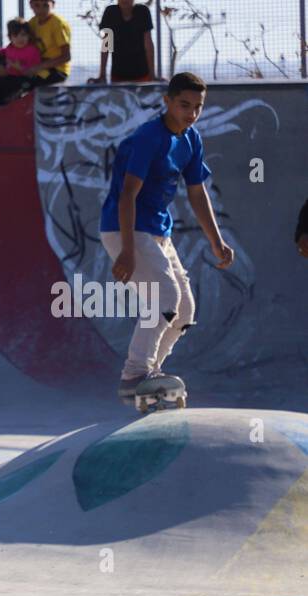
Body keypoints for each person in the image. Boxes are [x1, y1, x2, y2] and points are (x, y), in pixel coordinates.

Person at [99, 72, 234, 401]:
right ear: (167, 102)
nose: (191, 113)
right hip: (125, 229)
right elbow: (128, 194)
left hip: (158, 231)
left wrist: (216, 241)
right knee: (165, 299)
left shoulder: (191, 139)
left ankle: (150, 376)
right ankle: (134, 373)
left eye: (198, 107)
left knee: (184, 311)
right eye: (184, 105)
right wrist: (127, 252)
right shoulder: (150, 137)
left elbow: (197, 193)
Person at [91, 0, 156, 85]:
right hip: (118, 75)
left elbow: (148, 44)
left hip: (142, 75)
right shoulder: (110, 12)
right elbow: (106, 45)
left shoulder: (143, 11)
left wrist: (152, 75)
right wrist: (102, 75)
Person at [21, 0, 72, 91]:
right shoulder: (32, 23)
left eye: (45, 5)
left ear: (52, 5)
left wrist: (37, 67)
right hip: (37, 68)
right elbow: (18, 45)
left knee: (26, 83)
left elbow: (66, 56)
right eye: (37, 5)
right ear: (31, 5)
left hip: (56, 70)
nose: (41, 10)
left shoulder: (57, 24)